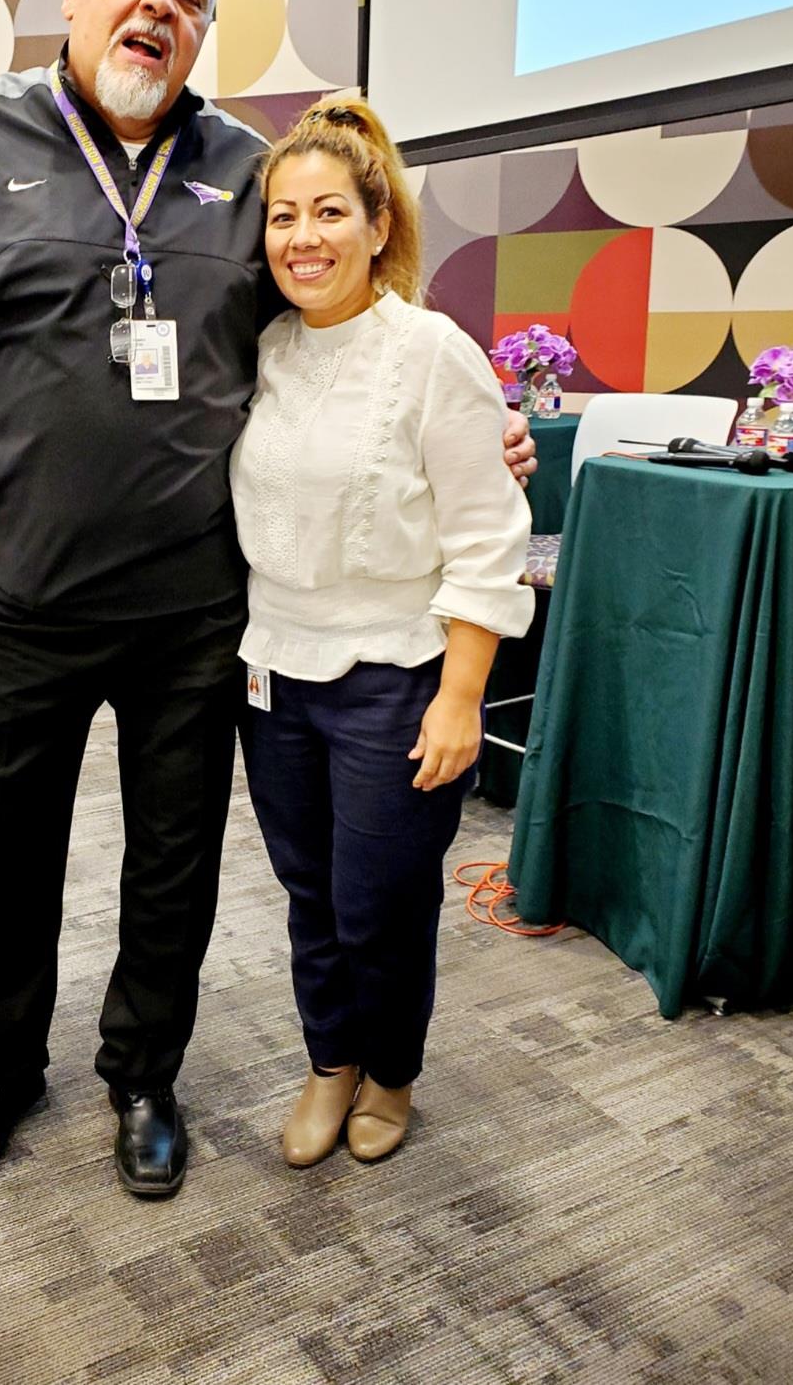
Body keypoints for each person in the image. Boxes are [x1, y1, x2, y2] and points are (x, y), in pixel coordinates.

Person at [0, 0, 538, 1198]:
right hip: (13, 601)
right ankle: (0, 1065)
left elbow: (332, 329)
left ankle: (144, 1074)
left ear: (204, 22)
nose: (160, 2)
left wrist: (469, 434)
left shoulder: (247, 167)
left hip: (200, 616)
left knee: (173, 866)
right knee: (2, 855)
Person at [231, 101, 535, 1167]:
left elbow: (487, 536)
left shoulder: (430, 353)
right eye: (281, 216)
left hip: (395, 680)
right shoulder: (261, 349)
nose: (302, 238)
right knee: (310, 896)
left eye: (327, 213)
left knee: (381, 905)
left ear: (376, 224)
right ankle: (330, 1061)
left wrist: (460, 695)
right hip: (273, 676)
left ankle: (391, 1075)